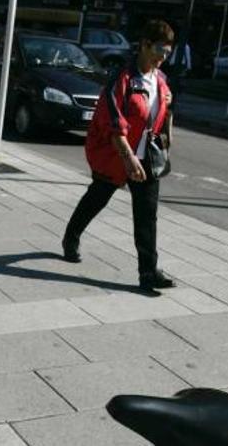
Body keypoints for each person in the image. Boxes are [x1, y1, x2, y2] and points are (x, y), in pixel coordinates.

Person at [62, 19, 176, 296]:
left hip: (146, 157)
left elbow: (163, 114)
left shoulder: (160, 81)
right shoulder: (121, 78)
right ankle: (71, 237)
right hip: (116, 156)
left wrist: (167, 132)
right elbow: (114, 123)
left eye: (168, 52)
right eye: (159, 50)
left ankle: (148, 272)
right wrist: (128, 158)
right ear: (144, 45)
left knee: (147, 216)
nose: (163, 57)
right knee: (96, 200)